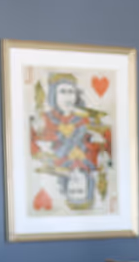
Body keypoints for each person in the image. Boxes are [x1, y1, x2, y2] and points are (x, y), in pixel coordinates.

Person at [30, 72, 112, 210]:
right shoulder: (43, 120)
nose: (67, 97)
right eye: (62, 92)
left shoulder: (87, 120)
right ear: (53, 96)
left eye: (71, 92)